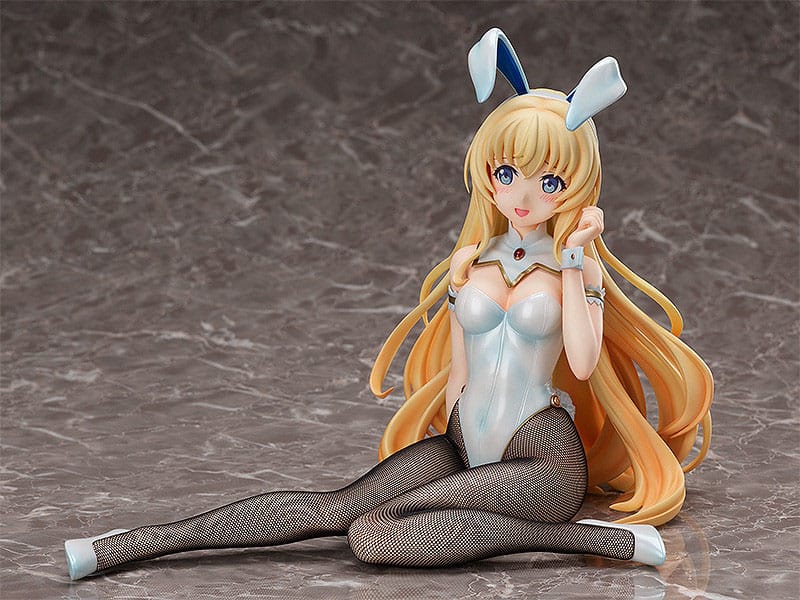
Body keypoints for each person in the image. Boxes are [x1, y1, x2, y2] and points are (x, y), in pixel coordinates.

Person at [64, 28, 712, 580]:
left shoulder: (574, 264)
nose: (521, 196)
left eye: (549, 182)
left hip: (541, 461)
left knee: (376, 534)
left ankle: (593, 540)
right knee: (338, 507)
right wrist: (444, 435)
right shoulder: (472, 260)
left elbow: (583, 360)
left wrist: (574, 258)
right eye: (506, 173)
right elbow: (461, 372)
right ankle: (127, 545)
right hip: (463, 442)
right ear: (487, 171)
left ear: (576, 186)